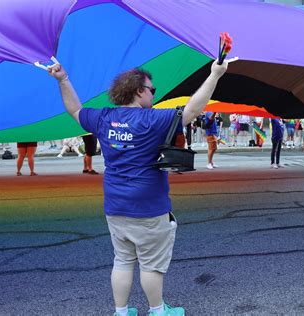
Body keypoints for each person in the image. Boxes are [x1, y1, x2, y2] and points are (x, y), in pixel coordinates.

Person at [48, 59, 227, 316]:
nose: (154, 93)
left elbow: (75, 110)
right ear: (138, 90)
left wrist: (63, 80)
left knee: (122, 260)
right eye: (152, 89)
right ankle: (158, 311)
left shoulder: (103, 117)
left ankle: (121, 312)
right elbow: (192, 111)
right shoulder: (153, 119)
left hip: (115, 204)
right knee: (151, 265)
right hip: (149, 206)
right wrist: (215, 75)